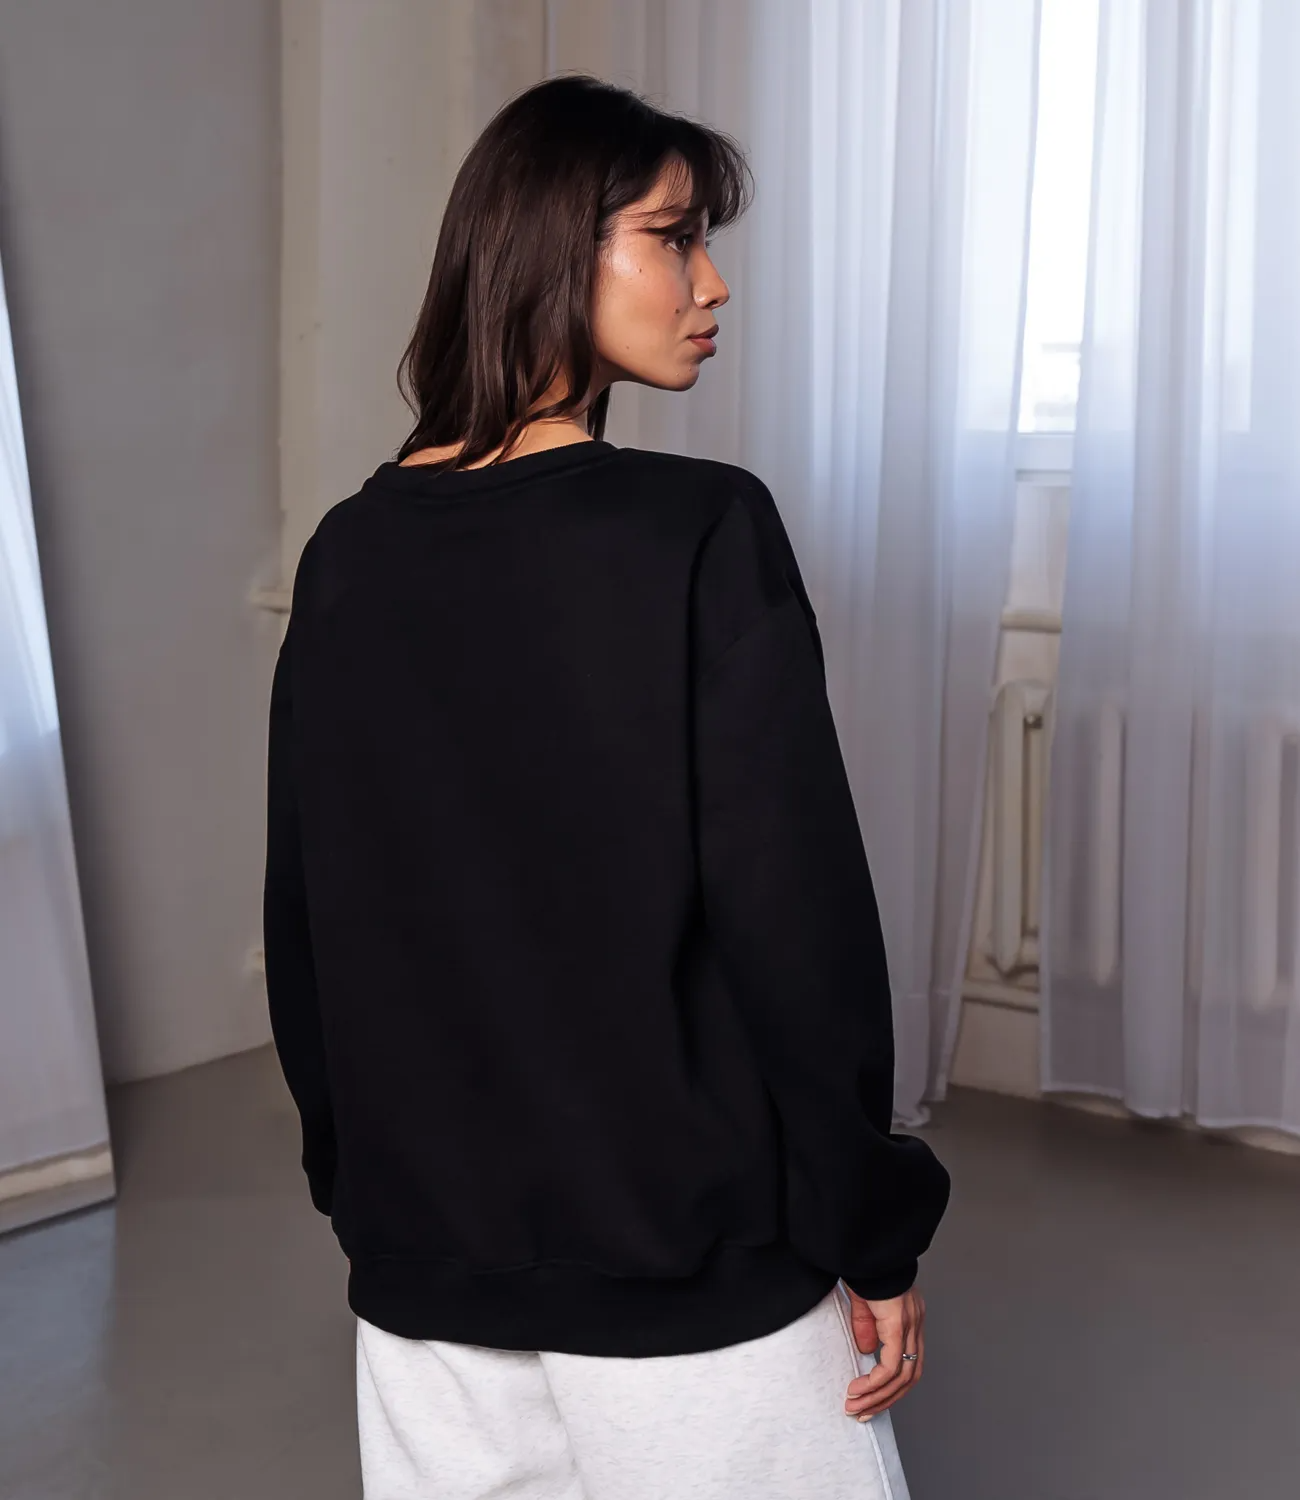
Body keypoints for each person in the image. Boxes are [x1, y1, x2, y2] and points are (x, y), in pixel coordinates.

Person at [263, 72, 951, 1500]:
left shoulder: (347, 553)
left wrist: (366, 1188)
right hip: (690, 1271)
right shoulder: (699, 531)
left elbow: (307, 922)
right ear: (547, 249)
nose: (711, 283)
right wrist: (869, 1225)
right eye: (672, 236)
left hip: (423, 1274)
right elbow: (795, 925)